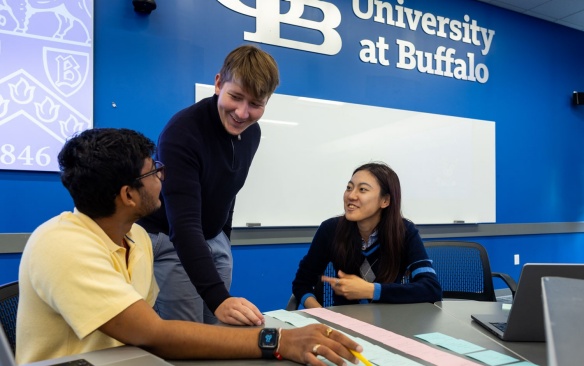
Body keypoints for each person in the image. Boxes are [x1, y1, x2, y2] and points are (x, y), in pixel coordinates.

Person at [15, 128, 362, 366]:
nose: (162, 177)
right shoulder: (62, 244)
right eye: (154, 172)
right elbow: (152, 333)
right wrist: (279, 341)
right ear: (128, 195)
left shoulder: (135, 238)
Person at [138, 44, 279, 326]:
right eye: (235, 97)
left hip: (213, 237)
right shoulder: (182, 133)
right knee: (187, 334)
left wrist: (223, 237)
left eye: (255, 104)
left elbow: (229, 187)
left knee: (218, 329)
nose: (242, 113)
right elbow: (184, 224)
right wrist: (218, 298)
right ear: (218, 84)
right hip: (172, 238)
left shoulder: (252, 133)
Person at [292, 162, 442, 308]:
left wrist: (370, 290)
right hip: (345, 325)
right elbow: (302, 283)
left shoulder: (404, 232)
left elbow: (431, 288)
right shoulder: (330, 229)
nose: (351, 195)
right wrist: (321, 315)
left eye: (362, 189)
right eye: (349, 188)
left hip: (390, 324)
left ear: (385, 200)